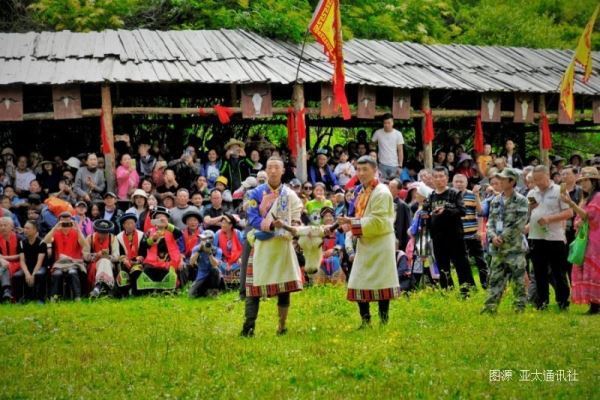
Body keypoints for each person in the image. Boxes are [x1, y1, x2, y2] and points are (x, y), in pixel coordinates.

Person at [241, 156, 304, 337]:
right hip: (262, 243)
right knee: (254, 287)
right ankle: (249, 326)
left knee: (283, 287)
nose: (274, 171)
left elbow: (296, 214)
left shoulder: (290, 194)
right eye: (270, 167)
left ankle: (282, 326)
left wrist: (293, 225)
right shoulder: (255, 193)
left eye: (277, 167)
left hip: (282, 244)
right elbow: (252, 217)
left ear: (283, 171)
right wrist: (269, 226)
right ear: (266, 170)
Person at [336, 156, 400, 327]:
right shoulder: (361, 191)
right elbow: (360, 216)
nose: (361, 173)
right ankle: (366, 321)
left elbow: (380, 221)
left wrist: (352, 223)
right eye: (358, 169)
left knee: (382, 281)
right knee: (358, 279)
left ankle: (383, 321)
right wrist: (348, 223)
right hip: (365, 240)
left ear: (375, 171)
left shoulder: (382, 192)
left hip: (380, 241)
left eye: (365, 169)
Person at [481, 168, 529, 313]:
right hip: (498, 249)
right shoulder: (496, 200)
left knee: (518, 280)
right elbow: (490, 222)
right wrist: (492, 236)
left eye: (503, 179)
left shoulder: (521, 200)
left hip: (514, 248)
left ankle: (519, 307)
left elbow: (519, 224)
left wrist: (501, 237)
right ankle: (490, 308)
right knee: (495, 279)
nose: (499, 182)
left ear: (512, 181)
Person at [423, 167, 475, 296]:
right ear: (432, 179)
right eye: (436, 177)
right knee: (442, 266)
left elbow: (462, 211)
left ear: (447, 178)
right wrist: (426, 216)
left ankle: (466, 292)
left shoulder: (454, 193)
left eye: (441, 176)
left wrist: (446, 210)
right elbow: (426, 212)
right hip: (437, 237)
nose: (439, 179)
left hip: (454, 236)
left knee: (461, 264)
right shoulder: (431, 196)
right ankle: (447, 291)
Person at [527, 165, 573, 310]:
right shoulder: (532, 193)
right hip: (536, 237)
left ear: (548, 176)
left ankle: (563, 302)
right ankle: (542, 302)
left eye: (540, 179)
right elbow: (530, 213)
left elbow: (569, 213)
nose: (538, 183)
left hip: (555, 237)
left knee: (558, 271)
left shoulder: (560, 190)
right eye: (535, 180)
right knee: (539, 271)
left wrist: (549, 219)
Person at [560, 167, 600, 314]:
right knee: (586, 269)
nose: (583, 184)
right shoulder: (586, 198)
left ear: (594, 181)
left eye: (586, 180)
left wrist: (571, 204)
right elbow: (580, 217)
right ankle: (593, 303)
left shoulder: (598, 197)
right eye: (581, 181)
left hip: (595, 239)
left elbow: (588, 216)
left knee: (594, 270)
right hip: (586, 238)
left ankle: (596, 304)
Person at [452, 174, 488, 289]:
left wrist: (479, 230)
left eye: (461, 182)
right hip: (458, 235)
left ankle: (485, 284)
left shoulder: (472, 195)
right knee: (462, 263)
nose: (459, 184)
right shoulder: (450, 196)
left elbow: (480, 213)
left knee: (480, 261)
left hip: (472, 234)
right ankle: (469, 286)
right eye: (456, 182)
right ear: (452, 183)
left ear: (466, 183)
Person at [44, 212, 88, 301]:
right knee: (57, 274)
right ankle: (54, 297)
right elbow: (46, 240)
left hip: (74, 262)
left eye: (68, 222)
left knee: (72, 273)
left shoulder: (76, 232)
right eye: (63, 223)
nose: (66, 225)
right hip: (59, 263)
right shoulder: (56, 232)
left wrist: (78, 228)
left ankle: (77, 297)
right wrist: (55, 227)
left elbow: (85, 245)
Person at [138, 206, 183, 291]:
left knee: (170, 274)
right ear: (154, 220)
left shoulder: (171, 230)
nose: (161, 220)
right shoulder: (149, 231)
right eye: (158, 218)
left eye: (163, 218)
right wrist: (153, 239)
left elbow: (180, 234)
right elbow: (143, 245)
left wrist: (167, 225)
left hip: (170, 261)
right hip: (152, 261)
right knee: (147, 271)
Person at [86, 219, 119, 298]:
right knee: (103, 261)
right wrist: (97, 255)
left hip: (109, 263)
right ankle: (109, 290)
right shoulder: (89, 238)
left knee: (105, 261)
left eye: (105, 233)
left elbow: (117, 256)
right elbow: (85, 255)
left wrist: (107, 256)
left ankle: (98, 288)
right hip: (94, 264)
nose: (103, 235)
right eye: (101, 232)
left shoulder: (113, 238)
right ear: (96, 231)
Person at [114, 213, 144, 296]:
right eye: (127, 223)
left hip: (139, 262)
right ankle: (124, 294)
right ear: (123, 225)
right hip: (125, 262)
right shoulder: (119, 237)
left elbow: (144, 251)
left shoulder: (142, 235)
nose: (130, 225)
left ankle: (136, 293)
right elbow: (119, 252)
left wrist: (139, 258)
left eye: (132, 223)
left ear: (135, 224)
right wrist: (124, 259)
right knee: (122, 274)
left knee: (136, 270)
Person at [189, 230, 223, 298]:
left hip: (213, 276)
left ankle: (214, 291)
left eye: (204, 239)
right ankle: (206, 291)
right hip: (201, 275)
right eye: (202, 239)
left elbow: (215, 264)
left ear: (211, 240)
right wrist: (199, 251)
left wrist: (210, 253)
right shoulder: (196, 248)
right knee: (191, 294)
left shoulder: (217, 250)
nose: (203, 240)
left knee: (215, 270)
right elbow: (191, 262)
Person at [370, 113, 404, 181]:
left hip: (394, 165)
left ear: (392, 123)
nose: (387, 125)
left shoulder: (398, 134)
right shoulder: (378, 132)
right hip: (381, 164)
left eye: (389, 123)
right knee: (382, 185)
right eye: (385, 123)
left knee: (394, 185)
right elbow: (371, 144)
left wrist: (400, 166)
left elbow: (400, 151)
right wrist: (374, 152)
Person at [214, 213, 244, 286]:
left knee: (242, 263)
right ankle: (223, 284)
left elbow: (243, 247)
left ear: (231, 225)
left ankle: (237, 284)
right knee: (218, 265)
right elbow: (214, 248)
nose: (223, 225)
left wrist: (241, 258)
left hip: (236, 258)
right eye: (222, 223)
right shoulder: (218, 233)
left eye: (225, 223)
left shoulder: (237, 233)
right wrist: (219, 255)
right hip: (223, 259)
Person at [388, 178, 412, 252]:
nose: (389, 189)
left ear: (399, 190)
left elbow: (407, 225)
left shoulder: (403, 205)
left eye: (392, 187)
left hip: (399, 242)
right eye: (389, 186)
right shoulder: (385, 202)